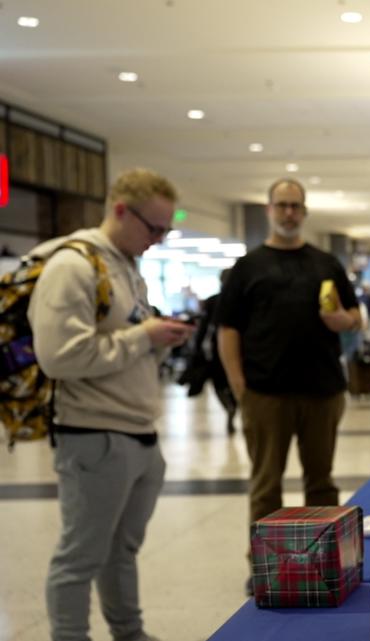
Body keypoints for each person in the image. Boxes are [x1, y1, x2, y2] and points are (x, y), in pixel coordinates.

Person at [30, 168, 194, 641]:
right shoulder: (73, 266)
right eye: (154, 228)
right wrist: (143, 337)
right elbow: (59, 357)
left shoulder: (126, 267)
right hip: (93, 434)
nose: (158, 239)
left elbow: (122, 341)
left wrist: (158, 338)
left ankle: (129, 633)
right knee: (80, 556)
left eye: (165, 230)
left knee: (121, 551)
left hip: (138, 429)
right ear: (121, 210)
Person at [216, 178, 360, 572]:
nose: (289, 213)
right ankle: (266, 567)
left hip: (323, 390)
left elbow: (356, 316)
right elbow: (228, 329)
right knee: (266, 485)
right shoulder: (248, 267)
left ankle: (323, 561)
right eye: (282, 205)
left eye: (295, 206)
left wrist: (343, 319)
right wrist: (239, 385)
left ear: (305, 211)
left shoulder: (326, 263)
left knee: (321, 483)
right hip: (266, 392)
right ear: (269, 210)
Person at [182, 268, 238, 434]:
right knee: (231, 381)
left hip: (216, 350)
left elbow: (204, 328)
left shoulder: (214, 301)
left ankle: (229, 406)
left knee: (219, 383)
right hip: (235, 349)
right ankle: (232, 406)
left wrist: (197, 347)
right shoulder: (240, 300)